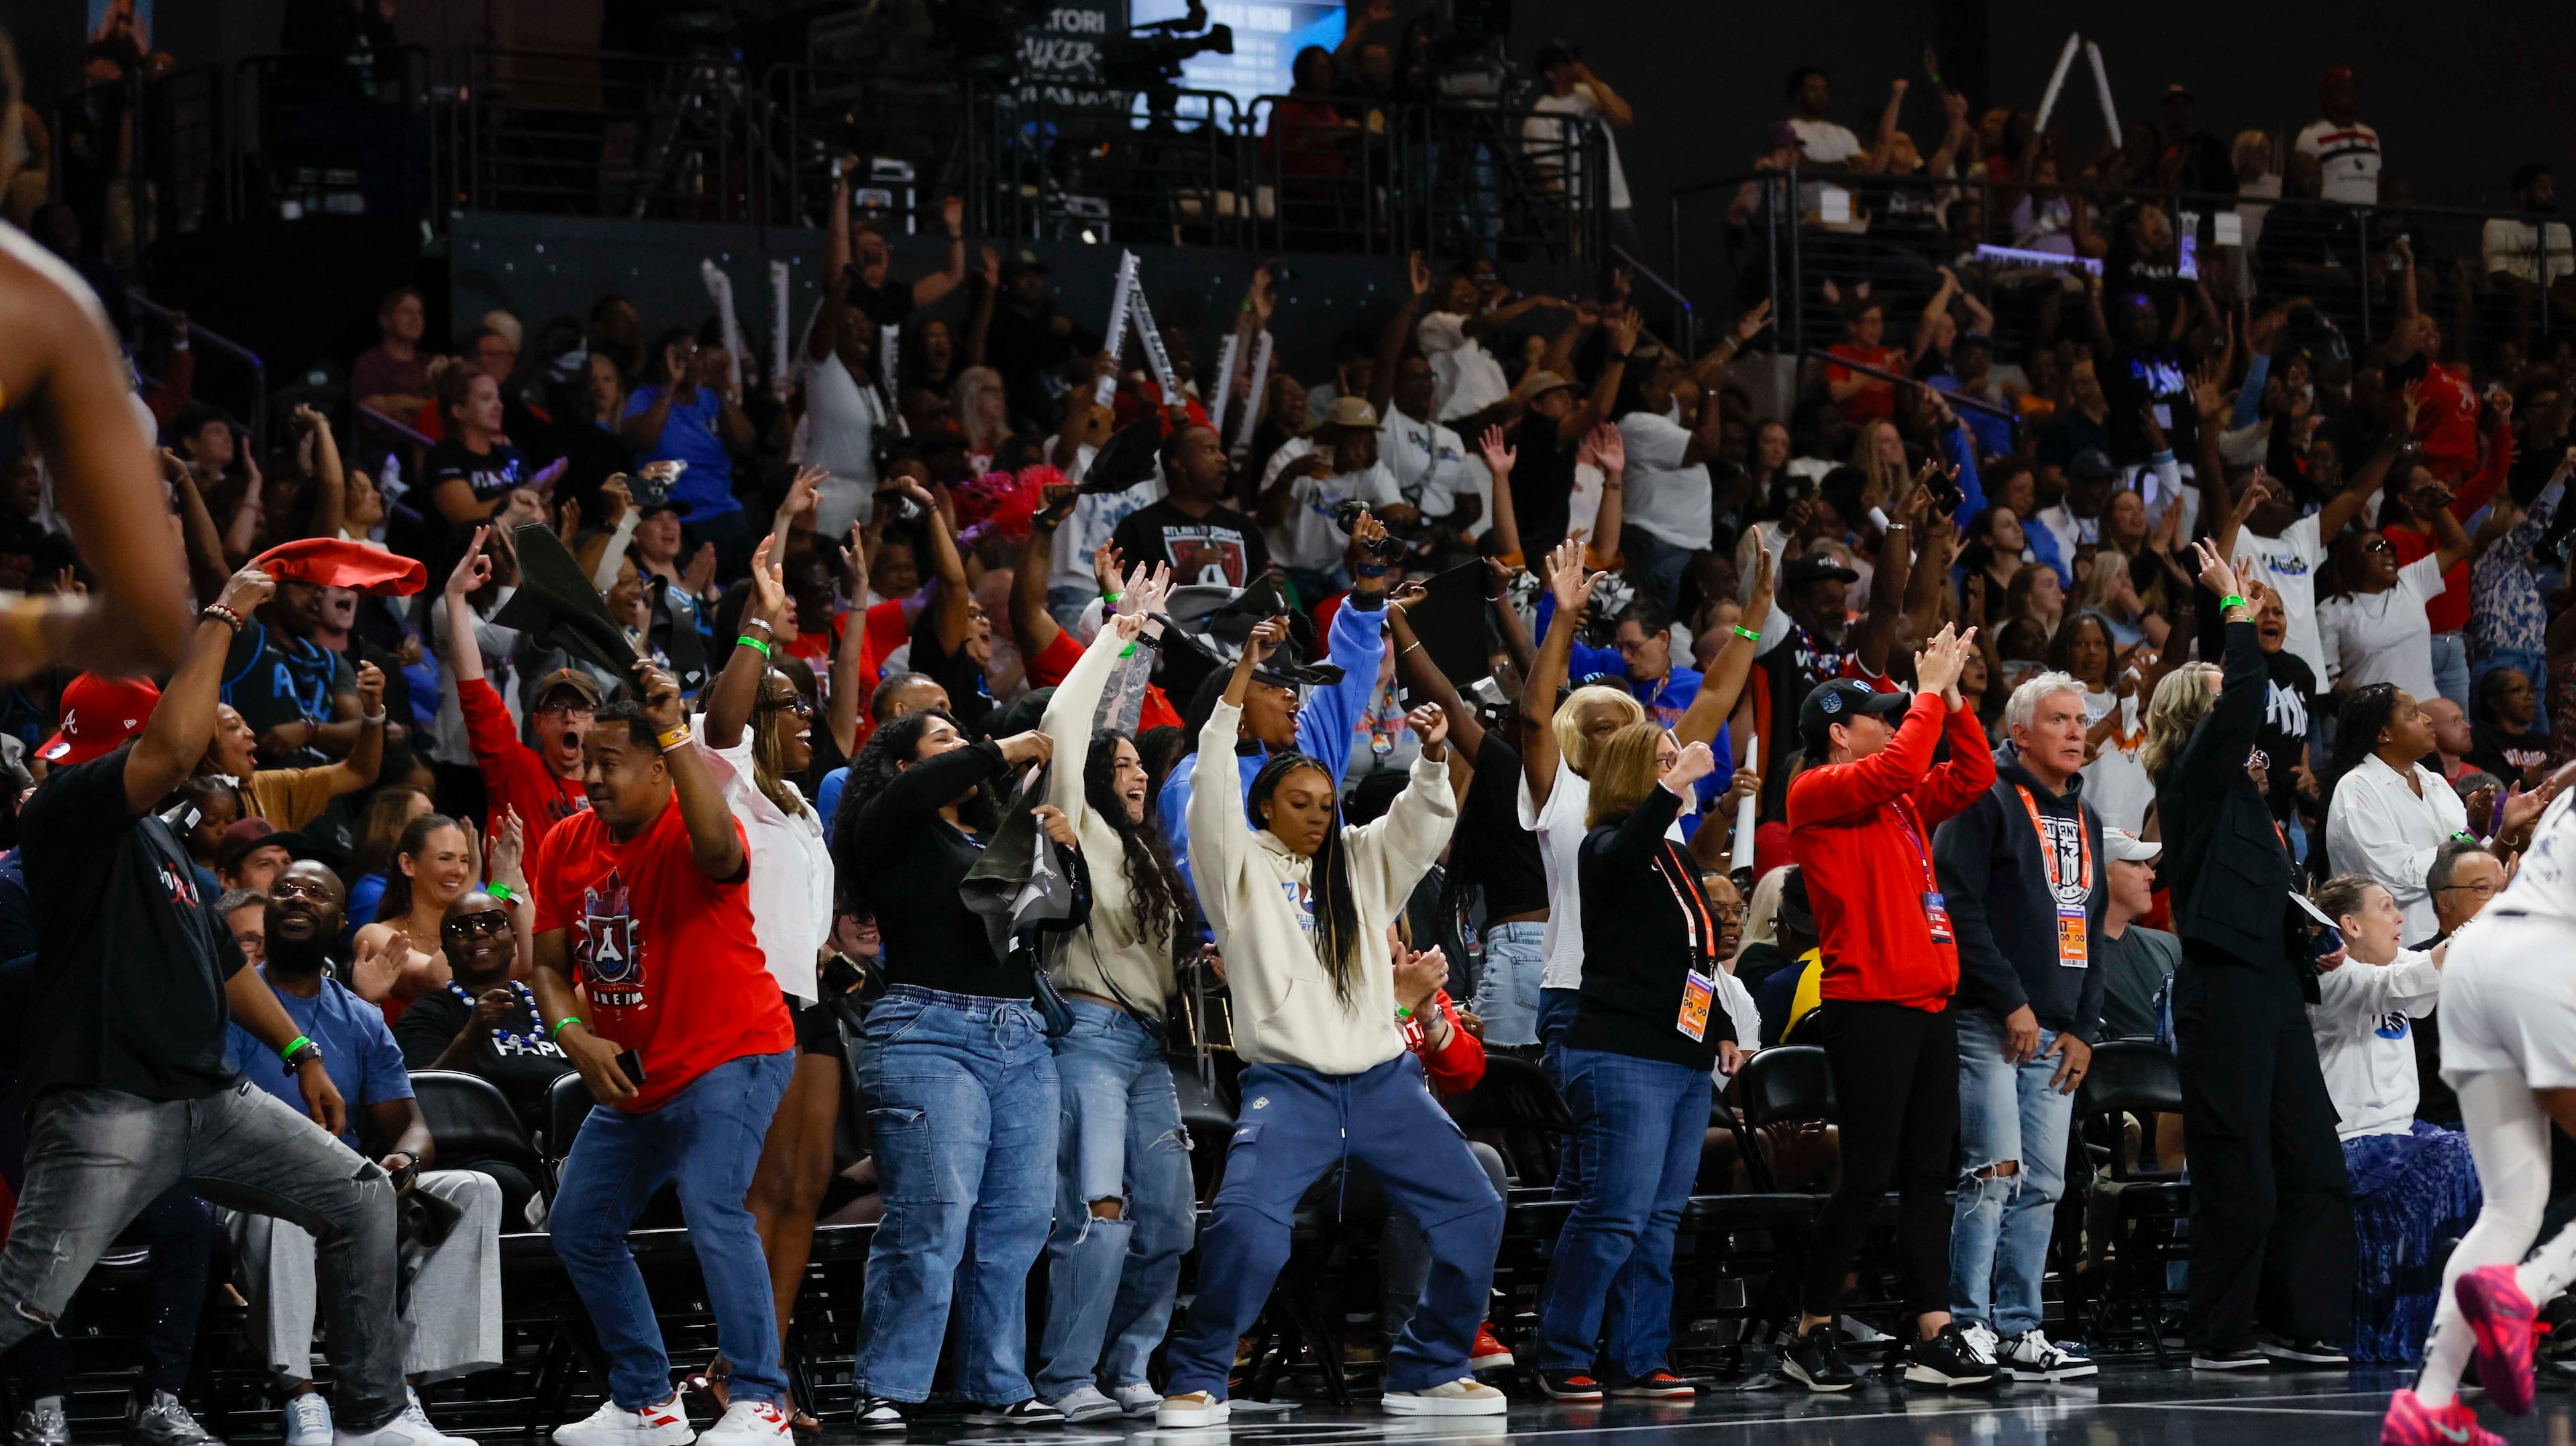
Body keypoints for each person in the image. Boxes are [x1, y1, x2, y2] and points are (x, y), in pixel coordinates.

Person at [0, 566, 459, 1446]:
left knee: (359, 1198)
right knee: (25, 1297)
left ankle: (373, 1418)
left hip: (207, 1101)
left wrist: (302, 1055)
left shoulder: (159, 847)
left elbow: (223, 965)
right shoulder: (63, 814)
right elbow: (170, 751)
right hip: (107, 1104)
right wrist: (224, 614)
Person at [1159, 616, 1500, 1427]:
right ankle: (1201, 1374)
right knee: (1246, 1225)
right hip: (1293, 1086)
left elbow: (1421, 827)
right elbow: (1210, 794)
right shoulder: (1236, 869)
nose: (1317, 816)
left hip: (1384, 1081)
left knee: (1475, 1206)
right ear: (1265, 810)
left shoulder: (1357, 863)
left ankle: (1428, 1367)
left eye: (1325, 802)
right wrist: (1237, 684)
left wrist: (1429, 755)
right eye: (1298, 804)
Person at [531, 662, 800, 1446]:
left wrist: (680, 729)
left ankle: (762, 1401)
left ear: (657, 767)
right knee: (578, 1222)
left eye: (611, 762)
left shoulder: (694, 821)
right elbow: (548, 966)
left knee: (714, 1203)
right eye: (585, 759)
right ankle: (648, 1402)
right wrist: (574, 1035)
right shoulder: (563, 842)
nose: (592, 775)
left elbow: (722, 855)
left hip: (734, 1051)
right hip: (637, 1074)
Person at [2147, 545, 2353, 1370]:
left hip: (2272, 981)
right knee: (2242, 1169)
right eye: (2231, 700)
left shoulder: (2246, 799)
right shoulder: (2194, 778)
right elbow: (2237, 697)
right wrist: (2232, 606)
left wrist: (2308, 929)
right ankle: (2221, 1331)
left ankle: (2297, 1319)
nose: (2256, 711)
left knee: (2312, 1159)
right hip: (2222, 986)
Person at [1778, 626, 1999, 1392]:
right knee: (1867, 1176)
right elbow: (1907, 756)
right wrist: (1930, 692)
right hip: (1867, 1005)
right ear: (1840, 732)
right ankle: (1808, 1328)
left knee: (1928, 1176)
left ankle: (1932, 1330)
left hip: (1926, 1000)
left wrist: (1958, 699)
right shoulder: (1814, 789)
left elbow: (1971, 773)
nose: (1895, 717)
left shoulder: (1898, 800)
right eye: (1878, 713)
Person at [832, 706, 1061, 1429]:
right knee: (931, 1220)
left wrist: (1062, 850)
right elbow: (914, 791)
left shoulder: (988, 836)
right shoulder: (887, 823)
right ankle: (888, 1383)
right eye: (945, 740)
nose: (964, 749)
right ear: (908, 766)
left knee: (1016, 1222)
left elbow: (1058, 916)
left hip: (1021, 1034)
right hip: (930, 1033)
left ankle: (997, 1379)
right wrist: (1002, 747)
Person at [223, 863, 502, 1442]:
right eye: (286, 889)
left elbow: (412, 1126)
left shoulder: (361, 1017)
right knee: (286, 1213)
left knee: (476, 1190)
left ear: (342, 922)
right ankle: (304, 1399)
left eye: (316, 892)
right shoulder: (232, 1001)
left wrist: (406, 1160)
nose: (298, 897)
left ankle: (394, 1398)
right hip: (254, 1184)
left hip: (355, 1190)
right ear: (269, 912)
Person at [1027, 575, 1201, 1423]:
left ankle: (1131, 1365)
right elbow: (1070, 726)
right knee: (1098, 1213)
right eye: (1124, 765)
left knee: (1170, 1222)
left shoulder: (1152, 858)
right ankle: (1068, 1377)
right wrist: (1116, 638)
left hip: (1152, 1052)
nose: (1137, 772)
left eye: (1140, 764)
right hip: (1089, 1038)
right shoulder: (1085, 830)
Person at [1532, 721, 1739, 1402]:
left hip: (1681, 1057)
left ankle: (1640, 1355)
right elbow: (1622, 856)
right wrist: (1673, 788)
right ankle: (1562, 1352)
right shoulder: (1603, 848)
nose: (1677, 769)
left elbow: (1693, 952)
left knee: (1658, 1219)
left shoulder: (1673, 857)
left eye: (1676, 761)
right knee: (1615, 1211)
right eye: (1661, 762)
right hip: (1621, 1053)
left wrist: (1724, 1026)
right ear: (1630, 775)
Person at [2379, 763, 2576, 1446]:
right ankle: (2527, 1291)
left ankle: (2429, 1404)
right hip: (2536, 963)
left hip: (2471, 963)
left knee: (2510, 1206)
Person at [691, 536, 840, 1433]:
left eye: (807, 707)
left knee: (805, 1185)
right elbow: (719, 726)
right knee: (756, 1197)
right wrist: (758, 623)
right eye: (787, 709)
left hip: (809, 1005)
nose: (805, 721)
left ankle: (759, 1374)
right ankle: (739, 1375)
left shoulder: (805, 804)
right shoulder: (733, 781)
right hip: (752, 1008)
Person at [1933, 671, 2104, 1381]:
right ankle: (1968, 1325)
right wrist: (2010, 1000)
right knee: (1991, 1175)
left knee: (2045, 1185)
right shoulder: (1986, 798)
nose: (2076, 731)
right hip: (1989, 1022)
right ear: (2021, 733)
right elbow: (1958, 904)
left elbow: (2092, 926)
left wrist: (2086, 1024)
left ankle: (2020, 1328)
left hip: (2058, 1030)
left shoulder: (2087, 816)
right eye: (2060, 720)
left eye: (2081, 721)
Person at [2302, 874, 2479, 1365]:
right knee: (2456, 1156)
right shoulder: (2327, 977)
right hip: (2353, 1143)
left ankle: (2475, 1318)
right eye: (2385, 907)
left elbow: (2423, 975)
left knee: (2480, 1149)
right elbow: (2397, 984)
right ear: (2350, 925)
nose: (2400, 917)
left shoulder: (2396, 963)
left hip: (2403, 1136)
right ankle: (2412, 1327)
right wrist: (2484, 918)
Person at [394, 887, 567, 1183]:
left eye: (492, 922)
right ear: (446, 952)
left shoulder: (551, 1006)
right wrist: (471, 1035)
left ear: (514, 942)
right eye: (460, 928)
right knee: (505, 1183)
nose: (477, 932)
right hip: (491, 1158)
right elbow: (425, 1098)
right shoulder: (425, 1016)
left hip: (570, 1145)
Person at [440, 528, 596, 846]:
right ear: (536, 722)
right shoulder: (514, 771)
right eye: (555, 708)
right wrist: (456, 597)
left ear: (596, 721)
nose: (569, 717)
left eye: (580, 708)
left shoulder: (616, 790)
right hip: (516, 897)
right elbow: (473, 688)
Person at [2322, 685, 2476, 944]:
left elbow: (2475, 851)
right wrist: (2472, 835)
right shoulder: (2358, 788)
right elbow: (2396, 878)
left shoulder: (2434, 782)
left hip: (2460, 938)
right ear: (2384, 734)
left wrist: (2510, 830)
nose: (2427, 720)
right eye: (2414, 714)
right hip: (2399, 950)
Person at [622, 333, 757, 579]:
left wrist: (720, 386)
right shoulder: (645, 397)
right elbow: (643, 439)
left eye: (694, 352)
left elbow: (745, 443)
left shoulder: (710, 399)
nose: (689, 361)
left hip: (720, 509)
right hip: (671, 512)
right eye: (679, 356)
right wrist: (671, 386)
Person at [2095, 830, 2179, 1041]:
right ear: (2098, 873)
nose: (2151, 875)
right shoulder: (2071, 955)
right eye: (2136, 864)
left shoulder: (2167, 944)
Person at [2293, 66, 2381, 206]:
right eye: (2346, 91)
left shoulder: (2370, 135)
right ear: (2328, 98)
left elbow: (2377, 179)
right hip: (2332, 222)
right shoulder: (2311, 136)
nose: (2352, 96)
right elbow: (2302, 186)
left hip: (2367, 223)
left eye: (2354, 90)